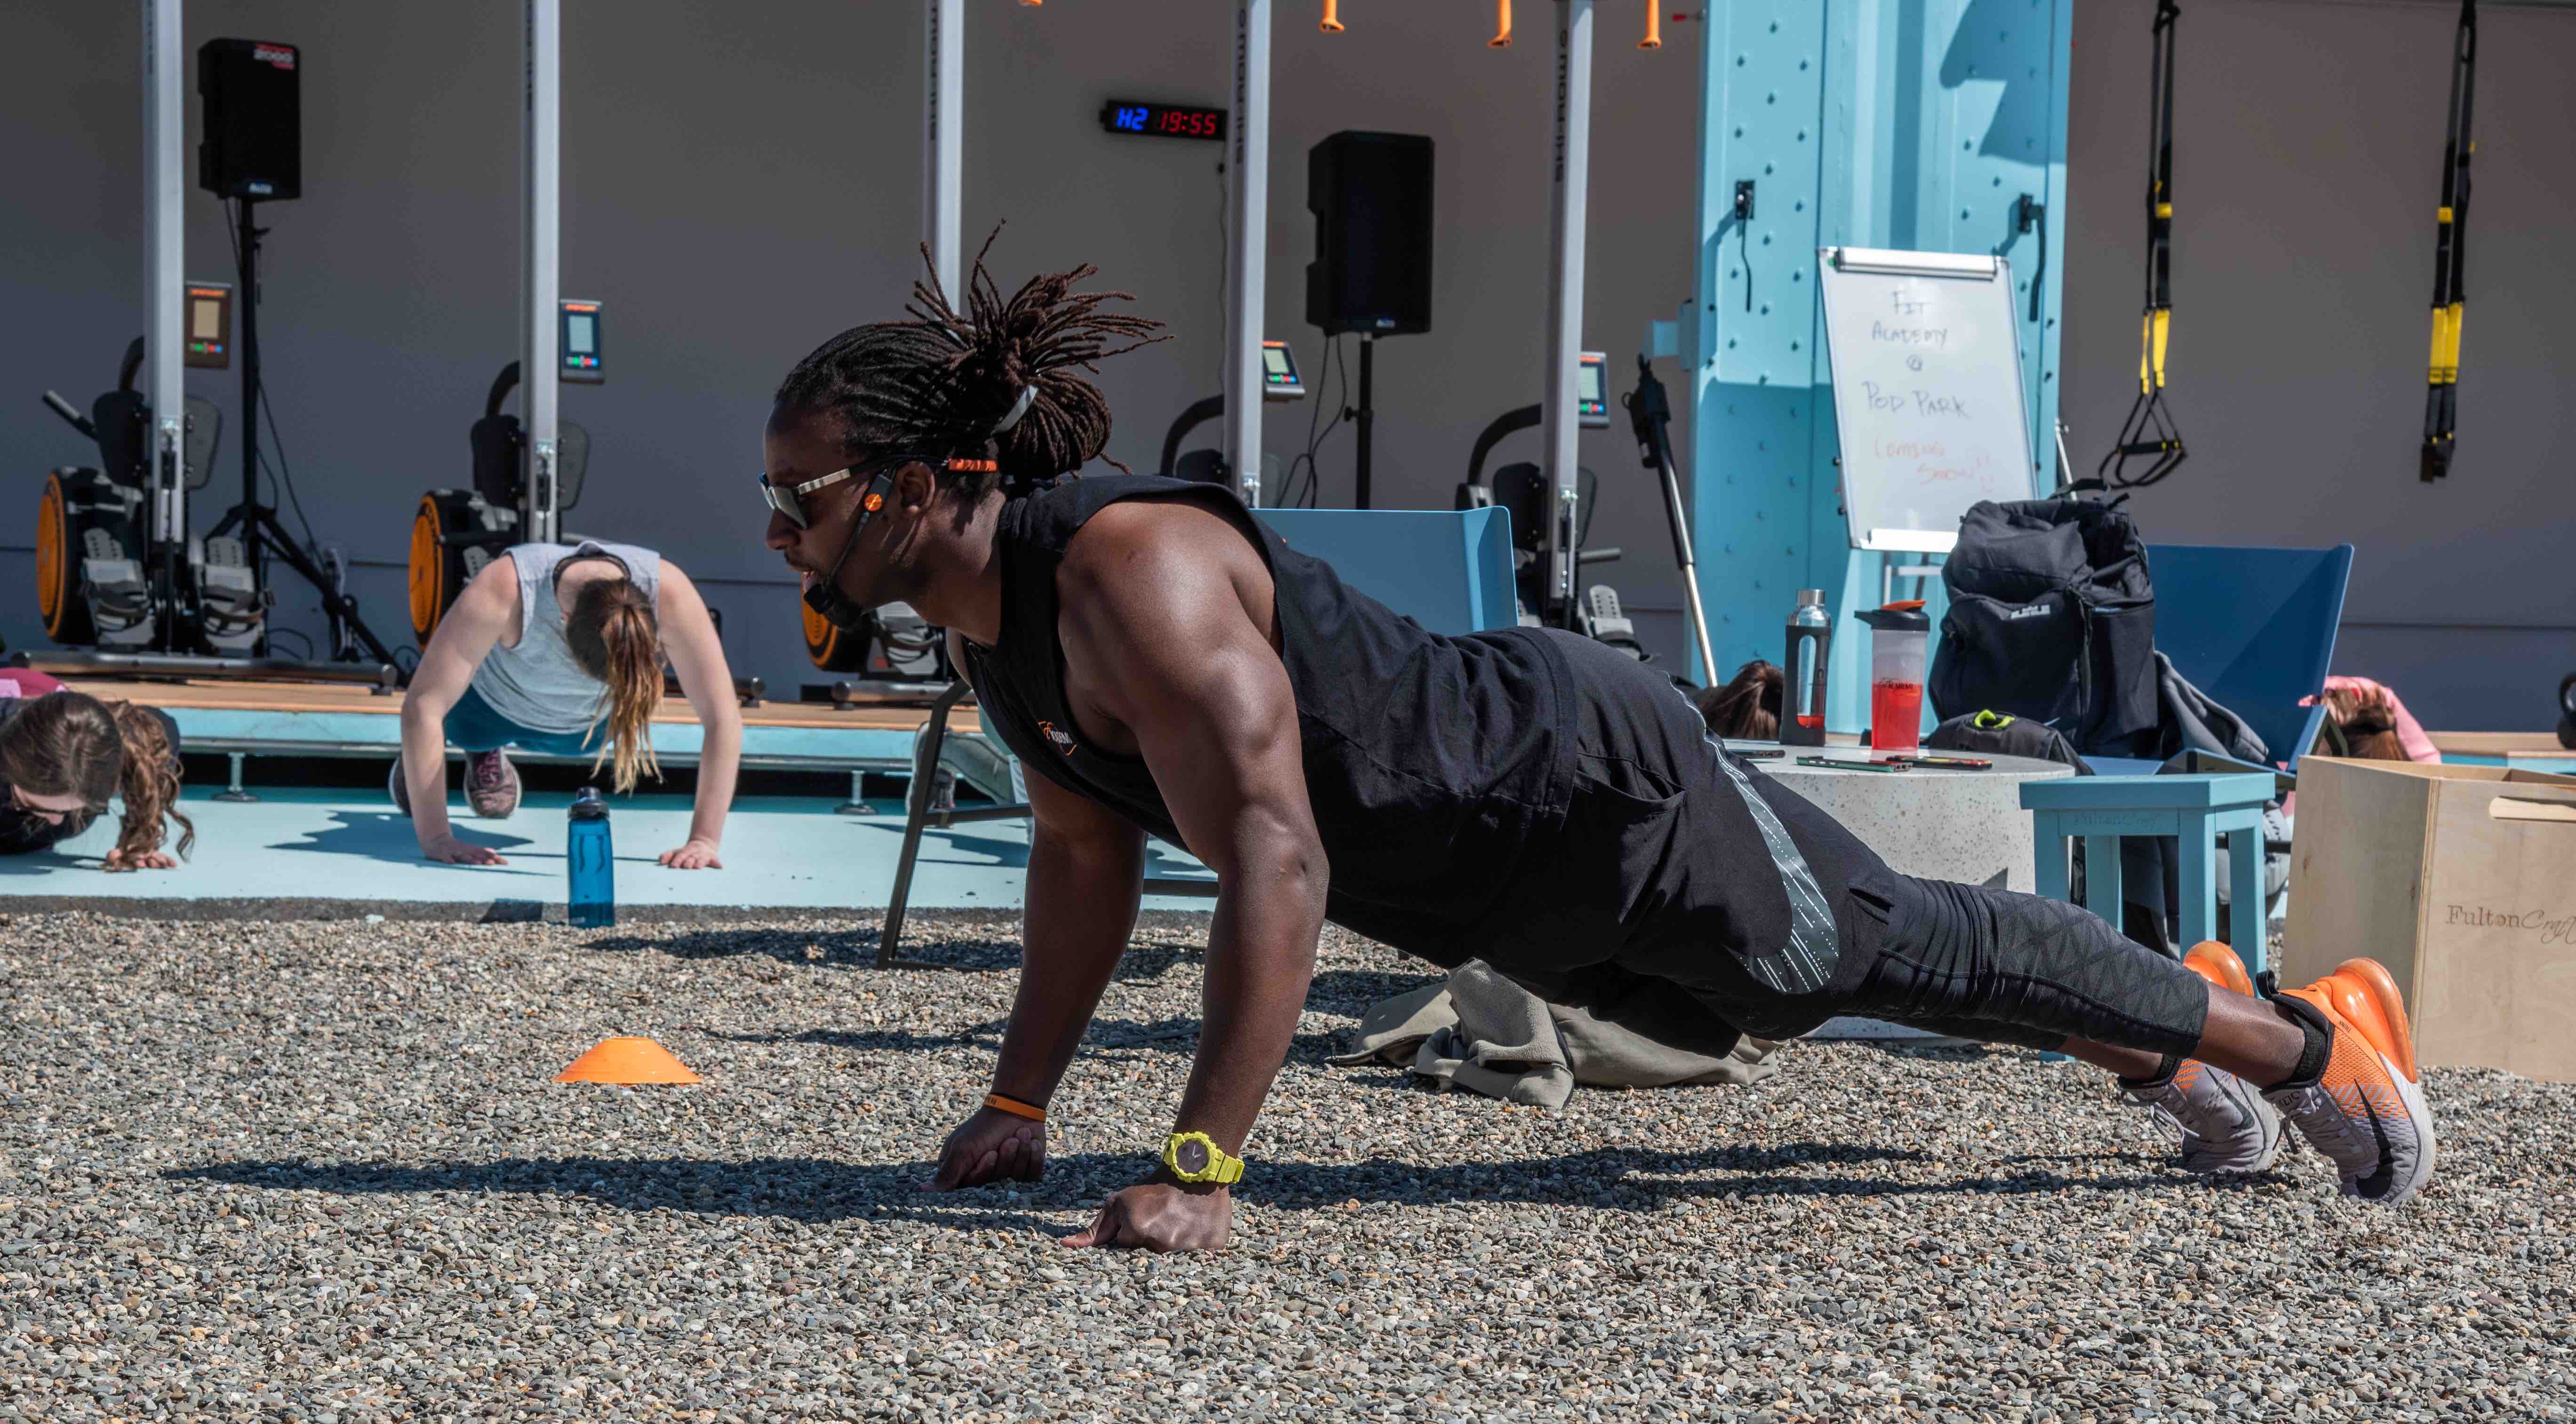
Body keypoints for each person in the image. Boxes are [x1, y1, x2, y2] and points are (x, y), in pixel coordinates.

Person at [759, 249, 2436, 1252]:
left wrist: (1200, 1164)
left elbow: (1274, 851)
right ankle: (2170, 1030)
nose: (778, 531)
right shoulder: (993, 635)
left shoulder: (1135, 574)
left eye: (800, 498)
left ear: (909, 487)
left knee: (1874, 950)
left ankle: (2303, 1042)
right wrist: (1019, 1099)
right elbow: (1082, 858)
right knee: (1805, 997)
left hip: (1581, 783)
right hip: (1502, 885)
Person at [396, 540, 740, 868]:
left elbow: (722, 717)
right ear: (564, 616)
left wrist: (704, 840)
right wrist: (436, 837)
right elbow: (423, 705)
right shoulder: (507, 585)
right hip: (487, 713)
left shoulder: (669, 592)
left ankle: (435, 759)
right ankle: (468, 754)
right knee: (448, 726)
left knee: (587, 739)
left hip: (584, 733)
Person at [0, 669, 193, 871]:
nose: (56, 821)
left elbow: (163, 728)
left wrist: (140, 834)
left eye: (72, 810)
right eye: (29, 804)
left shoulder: (118, 745)